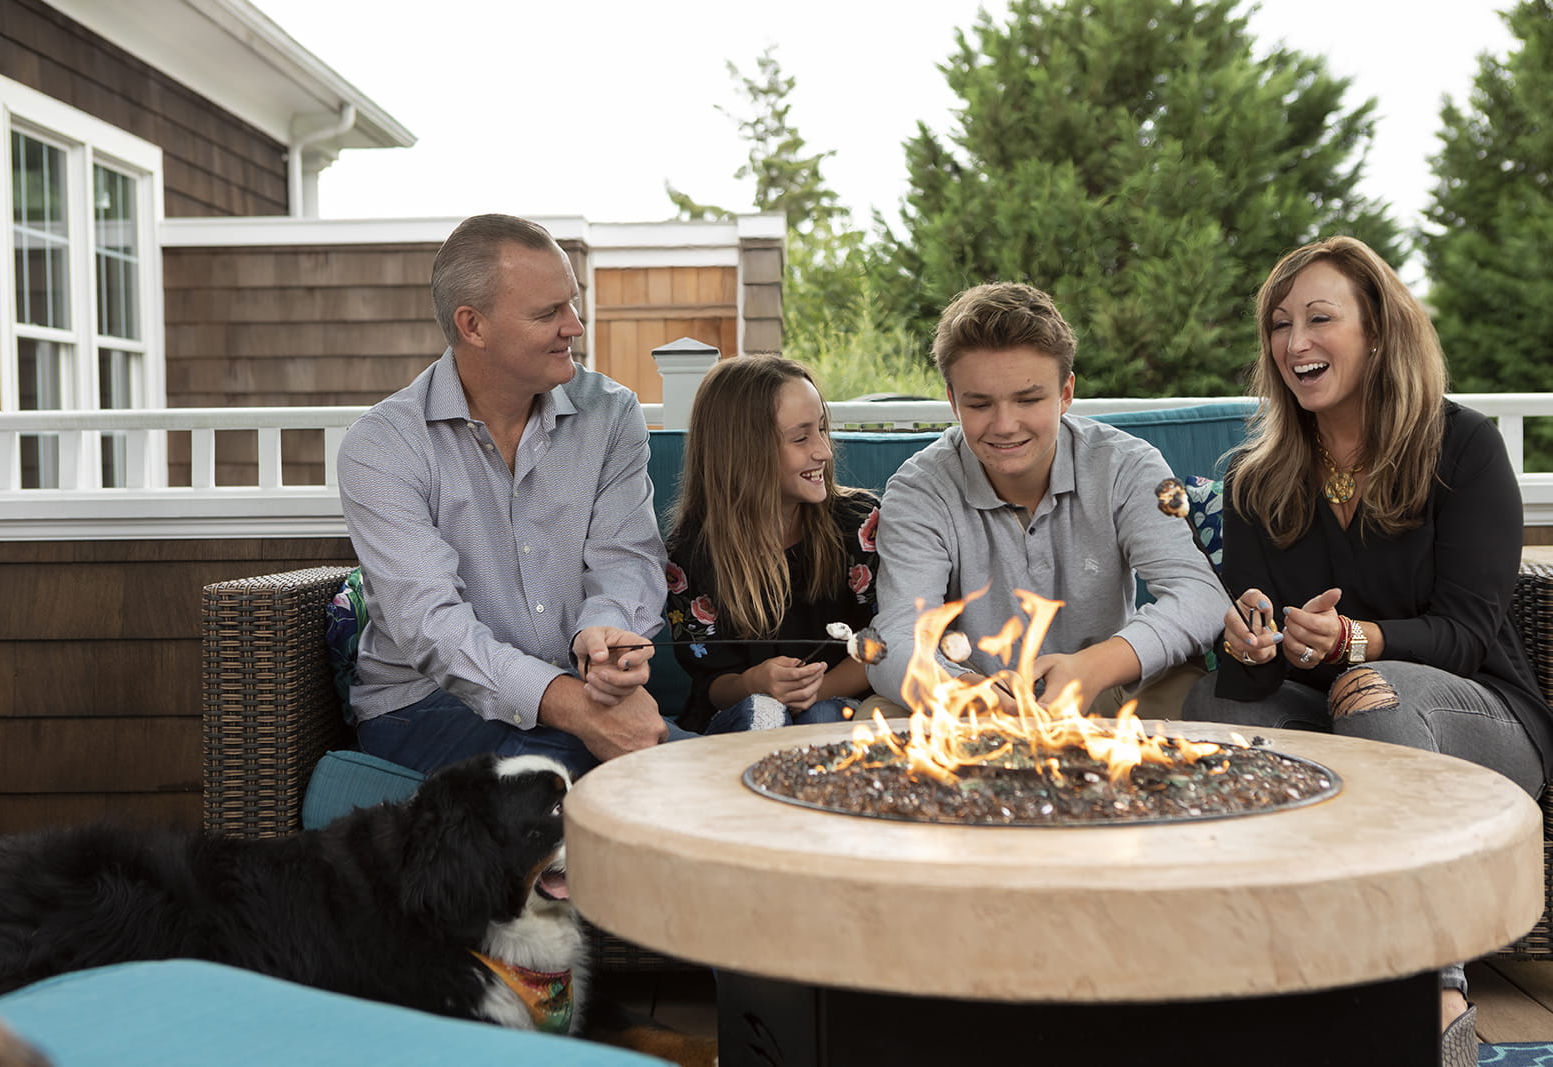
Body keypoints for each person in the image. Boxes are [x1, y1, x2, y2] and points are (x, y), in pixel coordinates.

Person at [1180, 235, 1550, 1062]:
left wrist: (1358, 640)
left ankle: (1433, 985)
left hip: (1477, 724)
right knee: (1208, 708)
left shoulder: (1463, 447)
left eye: (1320, 318)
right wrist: (1248, 637)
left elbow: (1472, 629)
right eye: (1280, 325)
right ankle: (1251, 967)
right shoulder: (1257, 477)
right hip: (1331, 710)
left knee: (1375, 690)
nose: (1295, 343)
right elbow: (1255, 668)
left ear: (1378, 333)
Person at [337, 213, 681, 778]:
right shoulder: (383, 446)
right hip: (424, 707)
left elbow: (628, 557)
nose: (575, 326)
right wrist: (576, 708)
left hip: (571, 690)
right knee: (635, 778)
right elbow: (434, 628)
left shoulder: (611, 413)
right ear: (473, 325)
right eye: (548, 313)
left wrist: (606, 636)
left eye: (571, 303)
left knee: (685, 767)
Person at [866, 282, 1230, 718]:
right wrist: (965, 691)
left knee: (1201, 702)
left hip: (1107, 692)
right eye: (980, 404)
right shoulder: (919, 488)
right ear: (952, 401)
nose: (1004, 425)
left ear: (1066, 393)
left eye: (1028, 398)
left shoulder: (1126, 465)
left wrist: (1094, 667)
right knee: (872, 722)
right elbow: (897, 635)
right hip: (969, 701)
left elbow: (1201, 594)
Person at [664, 355, 880, 734]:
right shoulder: (692, 553)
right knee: (762, 713)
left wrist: (816, 692)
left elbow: (889, 639)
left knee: (823, 716)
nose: (824, 451)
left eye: (823, 430)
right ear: (742, 452)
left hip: (840, 709)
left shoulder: (860, 525)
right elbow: (713, 682)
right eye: (801, 438)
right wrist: (753, 685)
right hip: (740, 718)